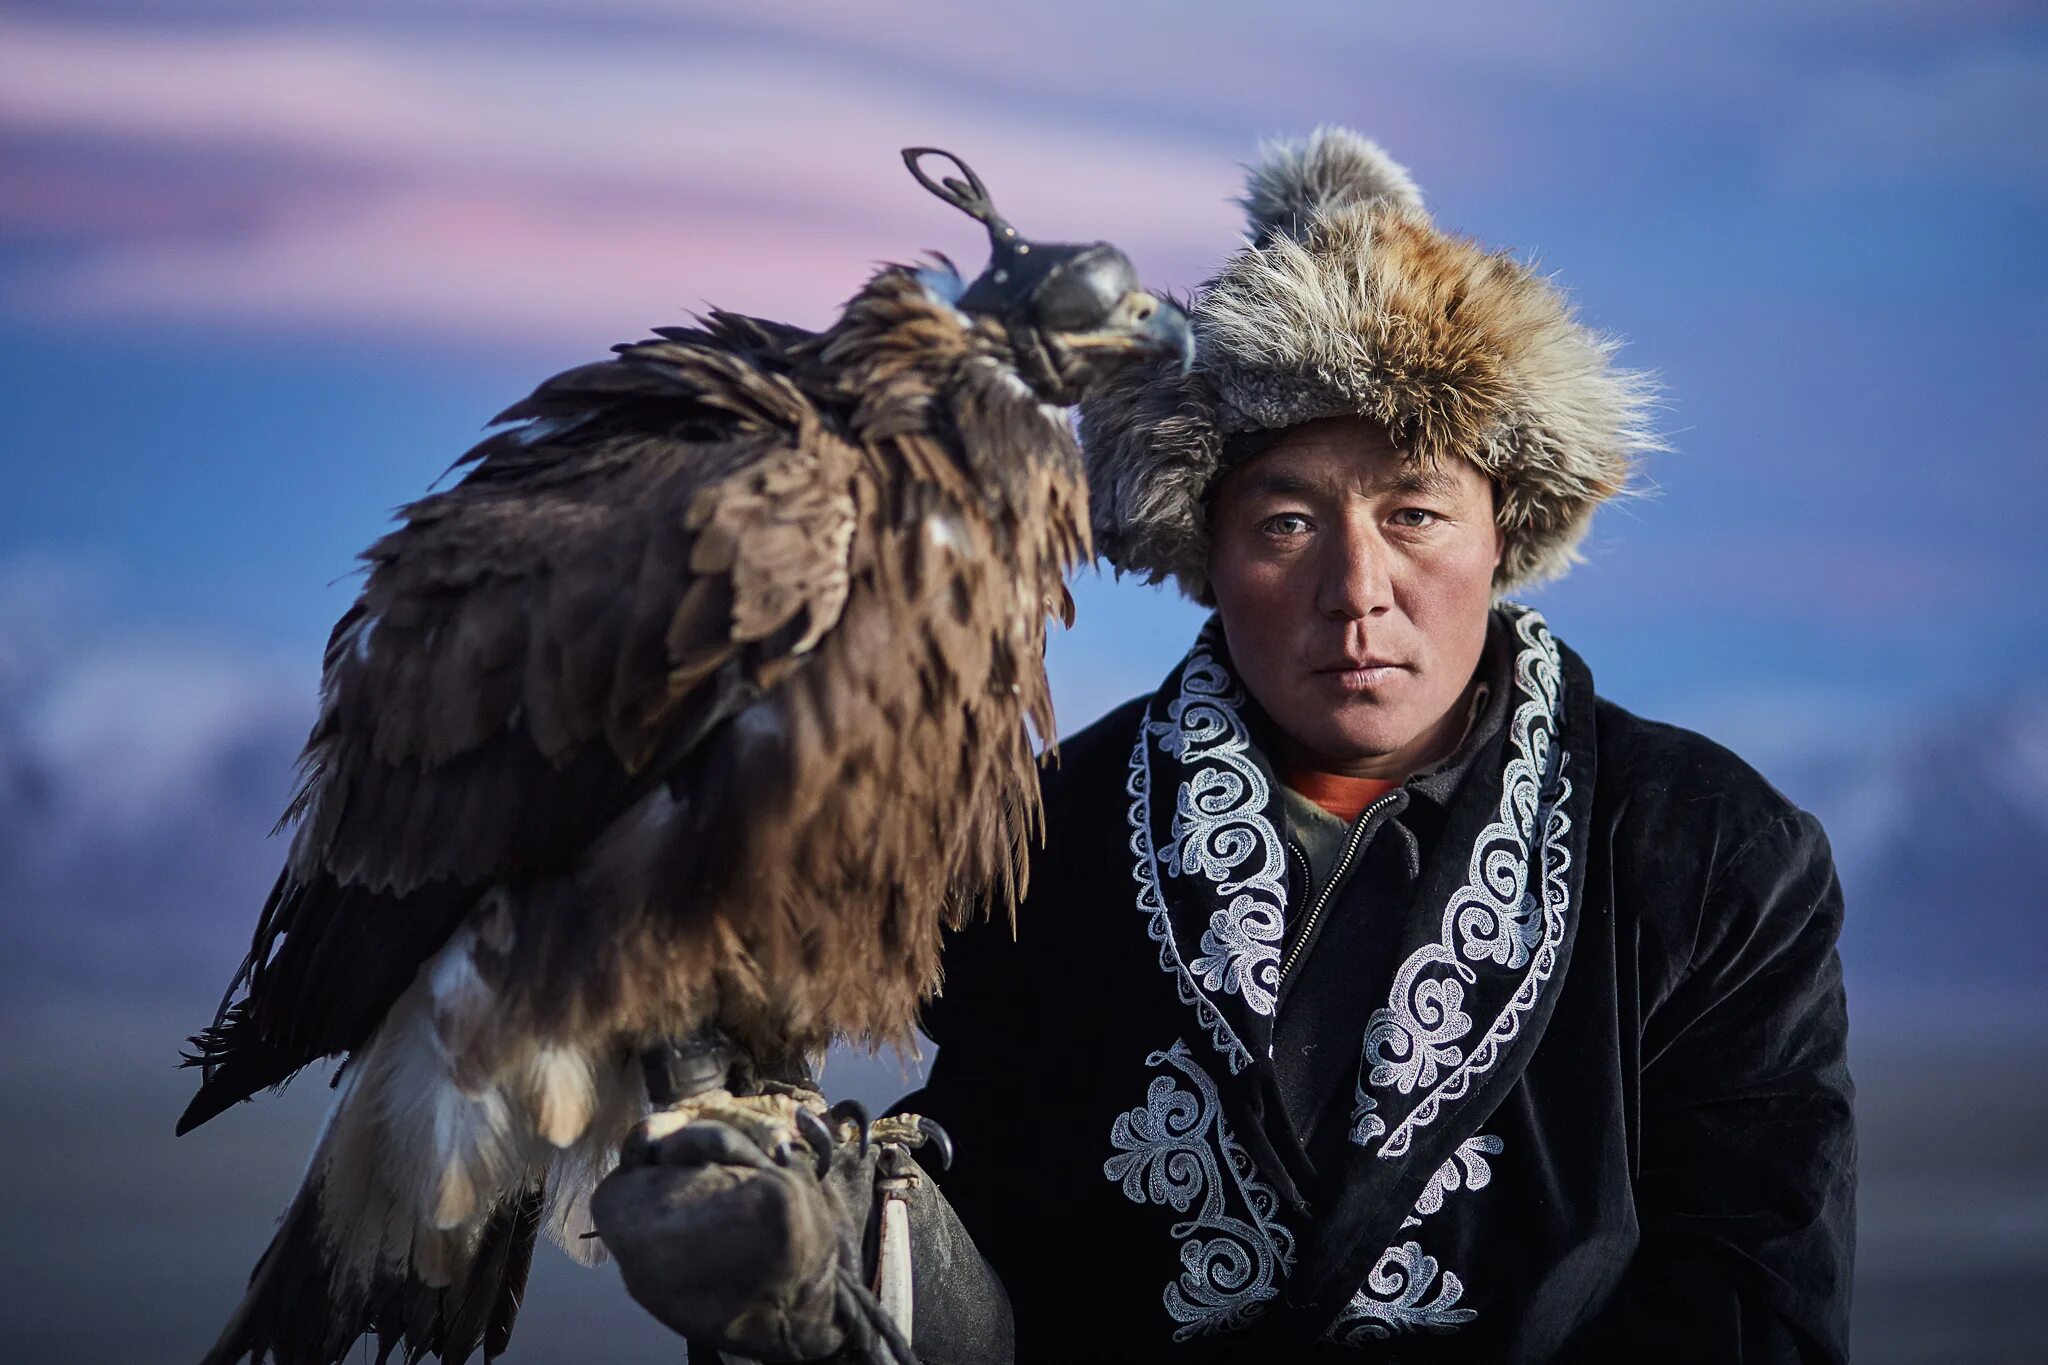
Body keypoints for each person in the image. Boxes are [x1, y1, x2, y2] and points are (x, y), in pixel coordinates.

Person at [596, 127, 1855, 1364]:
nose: (1356, 587)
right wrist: (845, 1269)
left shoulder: (1709, 853)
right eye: (1287, 522)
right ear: (1204, 553)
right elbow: (994, 1265)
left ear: (1503, 531)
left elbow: (1754, 1303)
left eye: (1414, 512)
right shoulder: (1042, 838)